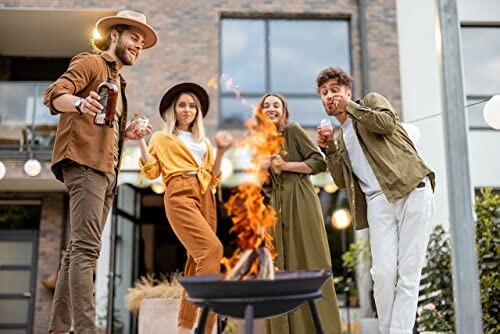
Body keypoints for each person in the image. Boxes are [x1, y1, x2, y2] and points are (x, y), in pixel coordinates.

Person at [43, 10, 157, 334]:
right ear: (114, 36)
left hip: (107, 172)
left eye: (142, 42)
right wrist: (79, 103)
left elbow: (103, 128)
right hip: (85, 165)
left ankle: (59, 328)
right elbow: (54, 95)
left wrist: (127, 132)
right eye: (134, 37)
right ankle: (87, 329)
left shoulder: (120, 82)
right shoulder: (91, 63)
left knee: (78, 250)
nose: (138, 45)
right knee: (87, 250)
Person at [315, 67, 435, 334]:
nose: (329, 96)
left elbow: (387, 124)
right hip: (377, 202)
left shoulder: (370, 102)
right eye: (324, 93)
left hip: (410, 187)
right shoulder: (341, 139)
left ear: (348, 92)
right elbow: (341, 182)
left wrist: (352, 108)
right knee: (381, 274)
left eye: (335, 90)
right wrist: (329, 147)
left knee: (408, 273)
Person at [139, 82, 231, 334]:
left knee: (198, 259)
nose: (187, 110)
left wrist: (221, 151)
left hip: (206, 196)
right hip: (179, 192)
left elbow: (213, 177)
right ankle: (205, 326)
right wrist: (140, 142)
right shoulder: (162, 137)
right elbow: (152, 172)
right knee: (213, 249)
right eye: (182, 105)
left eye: (192, 106)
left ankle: (185, 327)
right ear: (173, 109)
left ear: (198, 112)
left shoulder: (204, 141)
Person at [257, 93, 342, 334]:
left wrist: (284, 166)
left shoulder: (292, 130)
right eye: (266, 105)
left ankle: (320, 328)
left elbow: (318, 162)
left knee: (310, 260)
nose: (271, 108)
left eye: (276, 105)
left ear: (284, 111)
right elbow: (266, 185)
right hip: (277, 205)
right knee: (280, 267)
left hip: (301, 199)